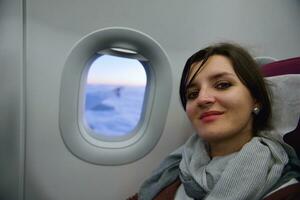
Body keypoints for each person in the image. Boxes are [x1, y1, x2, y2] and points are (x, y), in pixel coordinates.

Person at [128, 43, 300, 200]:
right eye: (192, 94)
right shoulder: (176, 166)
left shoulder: (286, 191)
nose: (202, 99)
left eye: (222, 85)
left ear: (256, 100)